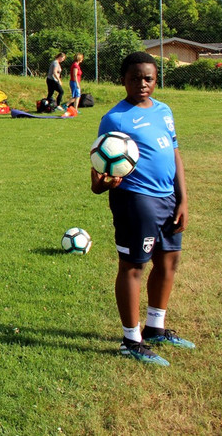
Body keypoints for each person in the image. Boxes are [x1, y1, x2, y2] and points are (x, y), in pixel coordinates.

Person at [91, 51, 193, 367]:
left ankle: (155, 328)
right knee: (133, 266)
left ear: (156, 79)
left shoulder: (164, 111)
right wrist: (104, 184)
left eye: (148, 78)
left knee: (169, 261)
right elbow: (99, 172)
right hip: (136, 200)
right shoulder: (115, 119)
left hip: (168, 198)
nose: (142, 84)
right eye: (135, 78)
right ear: (123, 80)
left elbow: (175, 154)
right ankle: (131, 341)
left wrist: (183, 199)